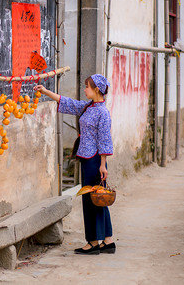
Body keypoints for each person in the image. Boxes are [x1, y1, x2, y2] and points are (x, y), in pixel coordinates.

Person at [33, 74, 115, 255]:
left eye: (87, 87)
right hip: (88, 158)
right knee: (99, 198)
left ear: (96, 90)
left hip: (95, 161)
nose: (84, 89)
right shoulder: (88, 106)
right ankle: (108, 241)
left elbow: (105, 140)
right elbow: (68, 103)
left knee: (92, 199)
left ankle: (93, 242)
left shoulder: (102, 112)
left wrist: (103, 165)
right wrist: (46, 91)